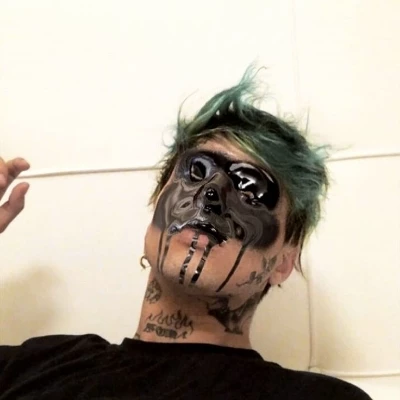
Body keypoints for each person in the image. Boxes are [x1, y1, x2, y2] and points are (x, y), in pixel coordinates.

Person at [0, 70, 372, 399]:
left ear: (283, 263)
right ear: (155, 208)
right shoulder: (34, 366)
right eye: (196, 172)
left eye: (250, 193)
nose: (211, 194)